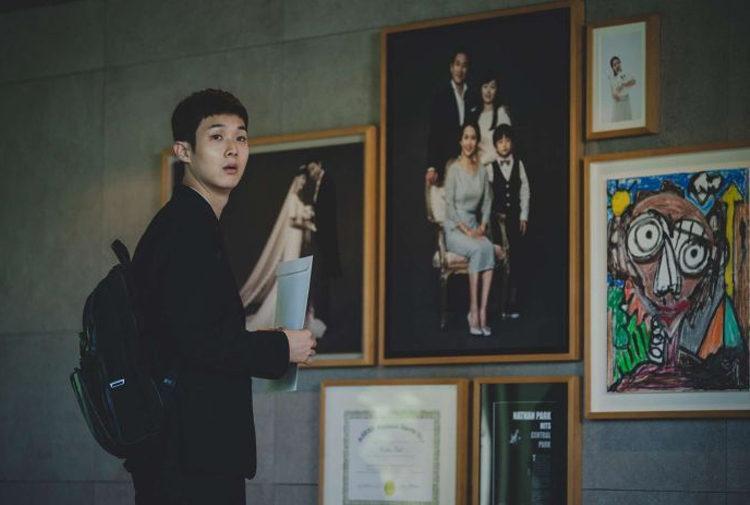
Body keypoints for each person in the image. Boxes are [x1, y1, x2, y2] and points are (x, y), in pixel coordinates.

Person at [125, 89, 317, 505]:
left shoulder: (190, 222)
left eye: (241, 137)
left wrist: (269, 342)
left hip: (188, 448)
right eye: (216, 136)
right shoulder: (186, 226)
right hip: (188, 454)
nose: (233, 149)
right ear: (184, 151)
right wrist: (282, 347)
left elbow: (195, 332)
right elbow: (200, 342)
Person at [240, 167, 325, 335]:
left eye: (304, 180)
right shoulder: (293, 198)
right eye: (301, 180)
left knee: (296, 276)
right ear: (296, 180)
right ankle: (281, 317)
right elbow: (292, 221)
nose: (302, 183)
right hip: (293, 239)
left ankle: (296, 317)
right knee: (290, 276)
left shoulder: (298, 198)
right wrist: (308, 224)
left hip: (298, 240)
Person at [443, 122, 495, 335]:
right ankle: (473, 310)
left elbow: (488, 200)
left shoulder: (481, 170)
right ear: (460, 141)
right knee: (477, 248)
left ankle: (483, 312)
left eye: (473, 138)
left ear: (477, 141)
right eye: (466, 137)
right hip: (455, 229)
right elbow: (449, 207)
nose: (469, 142)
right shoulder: (453, 170)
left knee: (488, 247)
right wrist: (468, 232)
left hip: (474, 225)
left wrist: (482, 225)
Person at [487, 124, 530, 320]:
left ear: (512, 143)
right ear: (495, 145)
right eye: (500, 141)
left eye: (507, 140)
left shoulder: (519, 164)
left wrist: (523, 216)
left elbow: (525, 191)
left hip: (514, 220)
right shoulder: (490, 167)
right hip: (496, 221)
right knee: (498, 258)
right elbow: (486, 195)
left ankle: (513, 300)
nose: (504, 145)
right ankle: (497, 301)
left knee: (516, 257)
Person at [426, 49, 477, 186]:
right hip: (444, 164)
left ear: (468, 69)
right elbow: (434, 132)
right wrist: (431, 167)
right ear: (451, 67)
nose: (460, 70)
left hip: (467, 163)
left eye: (464, 66)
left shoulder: (473, 96)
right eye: (457, 64)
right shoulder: (440, 95)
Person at [305, 160, 341, 330]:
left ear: (319, 165)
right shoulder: (319, 184)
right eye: (310, 170)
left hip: (326, 243)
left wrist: (312, 221)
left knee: (323, 281)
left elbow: (327, 213)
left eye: (313, 168)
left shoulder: (328, 182)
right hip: (321, 242)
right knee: (320, 281)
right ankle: (321, 318)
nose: (312, 173)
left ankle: (325, 320)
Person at [467, 70, 511, 167]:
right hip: (476, 168)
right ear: (480, 88)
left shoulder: (501, 113)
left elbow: (506, 147)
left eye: (492, 87)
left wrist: (482, 162)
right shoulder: (473, 113)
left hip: (497, 166)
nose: (488, 91)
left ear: (497, 90)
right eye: (485, 86)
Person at [608, 56, 636, 122]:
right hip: (617, 103)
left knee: (627, 120)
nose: (617, 65)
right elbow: (612, 93)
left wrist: (623, 85)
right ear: (612, 67)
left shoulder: (626, 73)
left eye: (618, 63)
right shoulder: (612, 78)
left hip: (626, 101)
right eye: (615, 65)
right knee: (616, 122)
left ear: (620, 63)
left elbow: (633, 82)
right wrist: (615, 96)